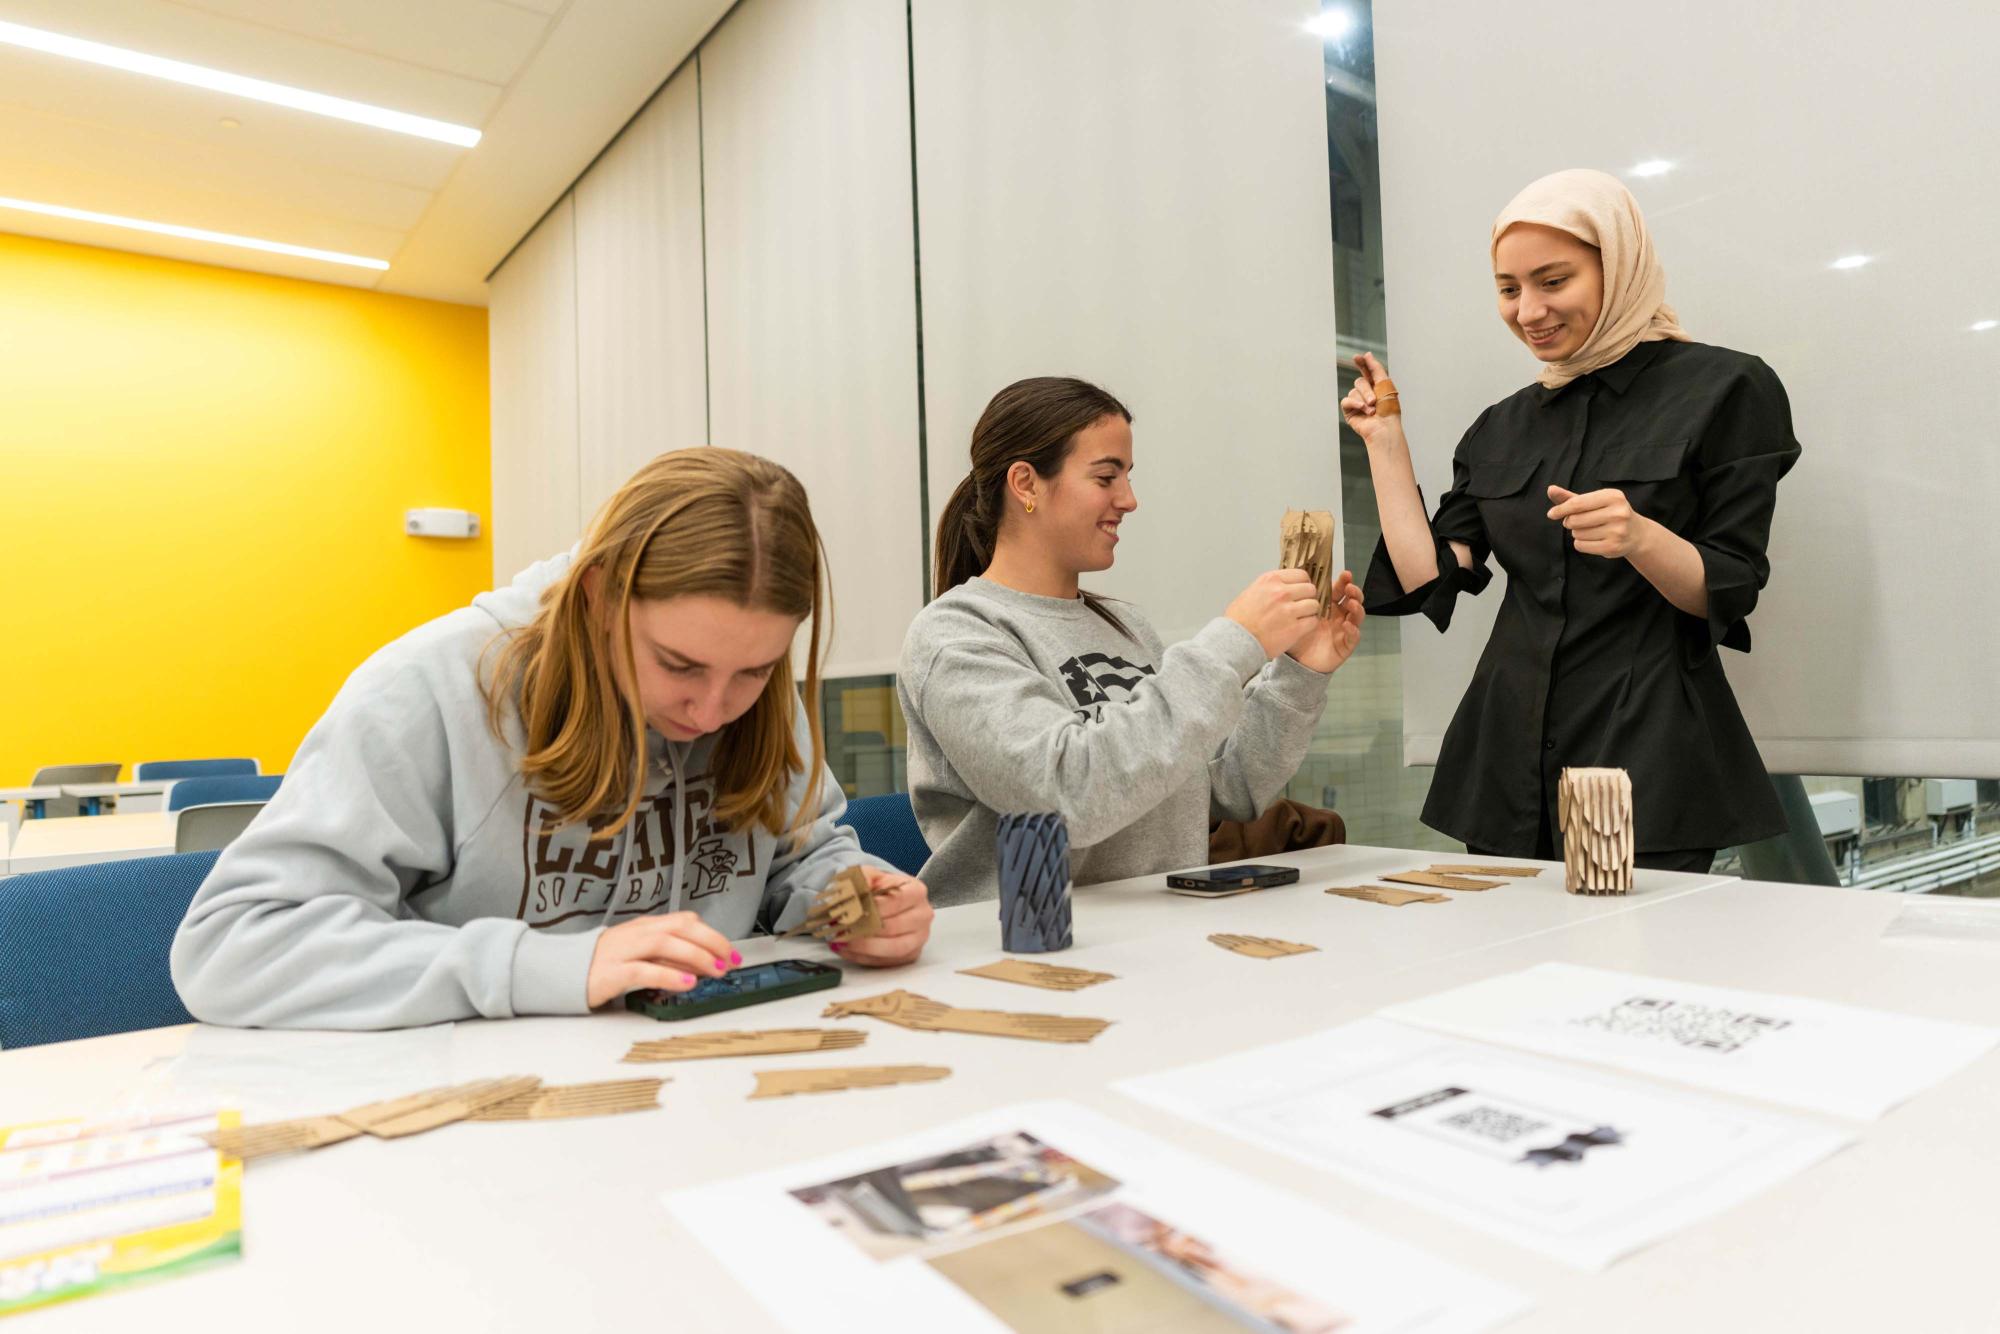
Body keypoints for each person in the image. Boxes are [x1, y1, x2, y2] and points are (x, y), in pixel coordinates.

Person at [173, 448, 933, 1029]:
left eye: (754, 672)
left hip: (707, 1077)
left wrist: (849, 900)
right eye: (678, 664)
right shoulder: (426, 690)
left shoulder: (741, 692)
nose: (710, 710)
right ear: (600, 596)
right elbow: (234, 945)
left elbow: (798, 857)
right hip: (476, 1108)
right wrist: (545, 967)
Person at [1348, 168, 1799, 871]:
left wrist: (1641, 538)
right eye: (1508, 288)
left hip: (1644, 754)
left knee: (1631, 967)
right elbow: (1430, 577)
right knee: (1511, 971)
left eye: (1553, 282)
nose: (1528, 310)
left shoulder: (1725, 389)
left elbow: (1730, 586)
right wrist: (1385, 445)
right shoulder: (1502, 426)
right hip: (1503, 763)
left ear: (1615, 267)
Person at [899, 376, 1365, 906]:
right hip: (1023, 956)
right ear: (1026, 483)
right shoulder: (955, 635)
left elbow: (1222, 788)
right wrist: (1235, 641)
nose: (1129, 500)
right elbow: (1065, 796)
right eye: (1106, 477)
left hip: (1155, 936)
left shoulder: (1127, 627)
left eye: (1128, 476)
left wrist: (1302, 670)